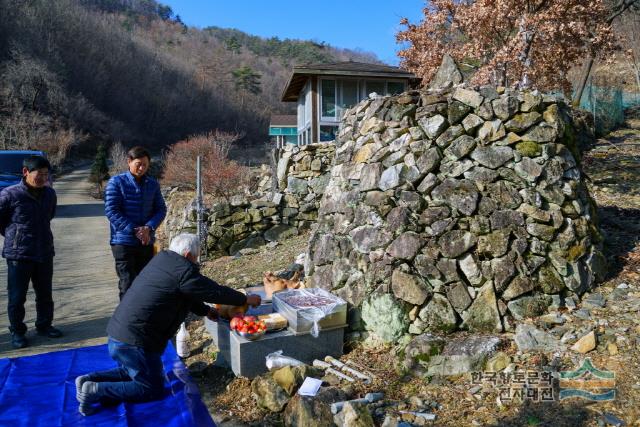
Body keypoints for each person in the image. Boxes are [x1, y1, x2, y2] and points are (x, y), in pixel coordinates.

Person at [75, 233, 261, 416]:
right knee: (151, 388)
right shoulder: (184, 271)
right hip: (135, 341)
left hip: (119, 334)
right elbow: (214, 292)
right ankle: (94, 390)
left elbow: (186, 293)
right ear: (188, 255)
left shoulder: (163, 261)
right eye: (196, 257)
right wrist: (245, 298)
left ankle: (89, 379)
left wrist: (206, 311)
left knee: (133, 371)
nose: (197, 261)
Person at [0, 155, 62, 349]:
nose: (43, 178)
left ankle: (44, 325)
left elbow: (48, 216)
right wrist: (15, 236)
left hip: (44, 251)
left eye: (46, 174)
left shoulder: (50, 194)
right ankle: (18, 331)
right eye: (39, 174)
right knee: (17, 297)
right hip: (19, 255)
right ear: (26, 172)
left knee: (45, 294)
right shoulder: (9, 194)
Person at [104, 146, 166, 299]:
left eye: (145, 164)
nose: (141, 167)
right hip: (123, 242)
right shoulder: (116, 182)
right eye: (138, 163)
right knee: (127, 283)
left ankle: (143, 318)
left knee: (145, 282)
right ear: (129, 162)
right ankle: (126, 320)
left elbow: (160, 209)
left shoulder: (152, 184)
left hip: (145, 241)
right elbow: (111, 210)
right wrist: (135, 230)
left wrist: (148, 227)